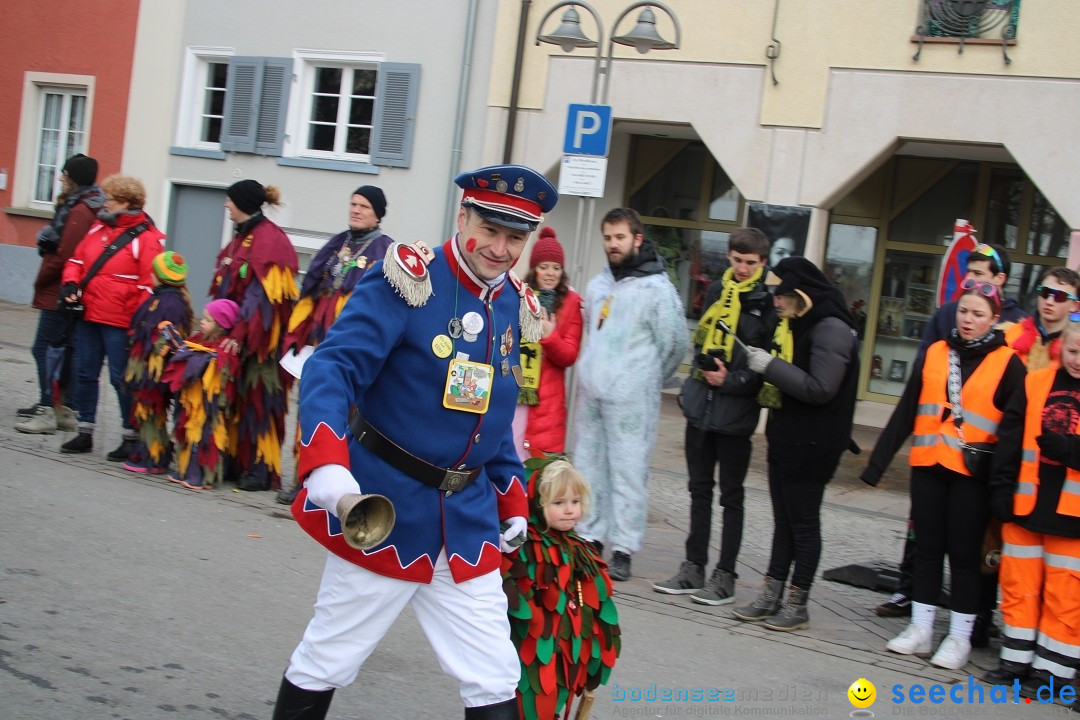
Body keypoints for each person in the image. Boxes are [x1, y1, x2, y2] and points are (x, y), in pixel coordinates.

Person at [272, 165, 558, 720]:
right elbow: (332, 370)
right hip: (384, 509)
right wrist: (329, 468)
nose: (501, 249)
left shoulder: (514, 306)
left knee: (495, 677)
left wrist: (512, 495)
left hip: (467, 524)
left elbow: (490, 416)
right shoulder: (409, 279)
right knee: (327, 659)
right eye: (490, 230)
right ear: (462, 216)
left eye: (515, 237)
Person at [862, 280, 1025, 669]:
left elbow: (1013, 433)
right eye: (964, 311)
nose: (968, 320)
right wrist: (876, 464)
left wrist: (1004, 485)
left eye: (978, 314)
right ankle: (920, 628)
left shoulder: (1009, 364)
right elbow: (906, 409)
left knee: (965, 558)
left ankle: (959, 637)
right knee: (928, 551)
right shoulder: (937, 351)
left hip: (971, 475)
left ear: (995, 319)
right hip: (928, 466)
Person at [731, 257, 859, 631]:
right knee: (783, 522)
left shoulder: (831, 327)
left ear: (800, 294)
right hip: (789, 438)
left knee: (802, 524)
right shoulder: (800, 323)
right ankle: (771, 595)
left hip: (814, 443)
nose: (775, 302)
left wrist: (770, 366)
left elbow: (821, 388)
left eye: (781, 295)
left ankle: (797, 601)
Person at [653, 228, 777, 604]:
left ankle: (725, 576)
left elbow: (765, 366)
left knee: (732, 497)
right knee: (698, 492)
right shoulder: (714, 292)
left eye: (750, 263)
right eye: (737, 261)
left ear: (763, 264)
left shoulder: (766, 304)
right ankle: (693, 568)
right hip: (701, 408)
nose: (742, 268)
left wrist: (731, 379)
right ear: (729, 257)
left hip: (737, 413)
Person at [571, 207, 688, 582]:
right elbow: (594, 332)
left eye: (619, 237)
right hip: (593, 395)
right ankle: (589, 536)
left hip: (632, 401)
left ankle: (623, 546)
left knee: (628, 473)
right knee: (588, 467)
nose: (612, 245)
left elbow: (675, 344)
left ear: (637, 238)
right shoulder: (598, 285)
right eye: (607, 238)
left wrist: (646, 378)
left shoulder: (657, 290)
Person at [277, 185, 393, 504]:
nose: (356, 210)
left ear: (378, 214)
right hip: (321, 341)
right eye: (353, 203)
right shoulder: (337, 244)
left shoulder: (385, 251)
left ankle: (345, 486)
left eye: (364, 206)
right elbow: (312, 291)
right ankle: (305, 478)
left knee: (352, 414)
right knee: (313, 405)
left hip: (357, 347)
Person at [985, 320, 1080, 702]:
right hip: (1026, 505)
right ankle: (1015, 662)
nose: (1079, 361)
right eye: (1074, 352)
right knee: (1018, 586)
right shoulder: (1035, 382)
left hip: (1072, 516)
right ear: (1060, 348)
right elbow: (1008, 439)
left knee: (1064, 594)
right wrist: (1001, 490)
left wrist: (1070, 451)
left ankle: (1052, 672)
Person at [501, 456, 620, 720]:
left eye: (575, 502)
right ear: (539, 504)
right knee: (530, 689)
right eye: (559, 503)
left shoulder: (581, 548)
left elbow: (597, 599)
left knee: (558, 686)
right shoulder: (526, 544)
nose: (569, 510)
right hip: (532, 640)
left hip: (566, 644)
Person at [58, 175, 166, 458]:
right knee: (85, 373)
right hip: (89, 314)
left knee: (121, 379)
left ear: (129, 203)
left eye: (112, 200)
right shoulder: (98, 228)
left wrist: (139, 321)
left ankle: (130, 436)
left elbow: (149, 284)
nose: (105, 204)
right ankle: (85, 431)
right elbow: (76, 261)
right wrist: (70, 283)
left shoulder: (147, 238)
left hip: (121, 321)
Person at [209, 179, 299, 492]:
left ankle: (263, 470)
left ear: (242, 203)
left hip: (265, 344)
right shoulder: (238, 240)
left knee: (262, 403)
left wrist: (241, 332)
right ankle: (237, 461)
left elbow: (263, 298)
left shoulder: (270, 241)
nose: (225, 205)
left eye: (229, 200)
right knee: (239, 403)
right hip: (238, 338)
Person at [15, 154, 102, 435]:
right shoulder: (87, 204)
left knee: (44, 349)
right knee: (67, 349)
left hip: (61, 288)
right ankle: (64, 408)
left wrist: (42, 279)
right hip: (69, 288)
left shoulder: (79, 210)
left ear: (73, 177)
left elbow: (65, 255)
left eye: (64, 173)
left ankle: (48, 409)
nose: (61, 178)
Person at [512, 226, 583, 460]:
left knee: (539, 479)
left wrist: (550, 336)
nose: (550, 273)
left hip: (548, 405)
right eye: (544, 267)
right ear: (534, 270)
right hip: (515, 395)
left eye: (556, 268)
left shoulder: (571, 303)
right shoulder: (519, 296)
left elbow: (569, 356)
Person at [121, 251, 195, 474]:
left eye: (153, 271)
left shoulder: (170, 303)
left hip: (154, 370)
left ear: (161, 276)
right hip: (146, 366)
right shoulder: (162, 297)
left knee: (151, 410)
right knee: (148, 412)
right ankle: (153, 452)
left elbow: (169, 337)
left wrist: (153, 359)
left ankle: (153, 457)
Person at [165, 298, 241, 491]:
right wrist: (175, 344)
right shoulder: (199, 338)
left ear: (220, 326)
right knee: (186, 432)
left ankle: (200, 475)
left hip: (209, 403)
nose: (202, 321)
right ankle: (184, 469)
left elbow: (222, 367)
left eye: (207, 319)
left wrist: (203, 357)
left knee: (204, 436)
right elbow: (185, 348)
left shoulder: (224, 346)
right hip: (191, 400)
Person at [1005, 267, 1080, 369]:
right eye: (1045, 292)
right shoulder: (1008, 333)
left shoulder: (1075, 347)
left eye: (1060, 296)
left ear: (1074, 306)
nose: (1049, 301)